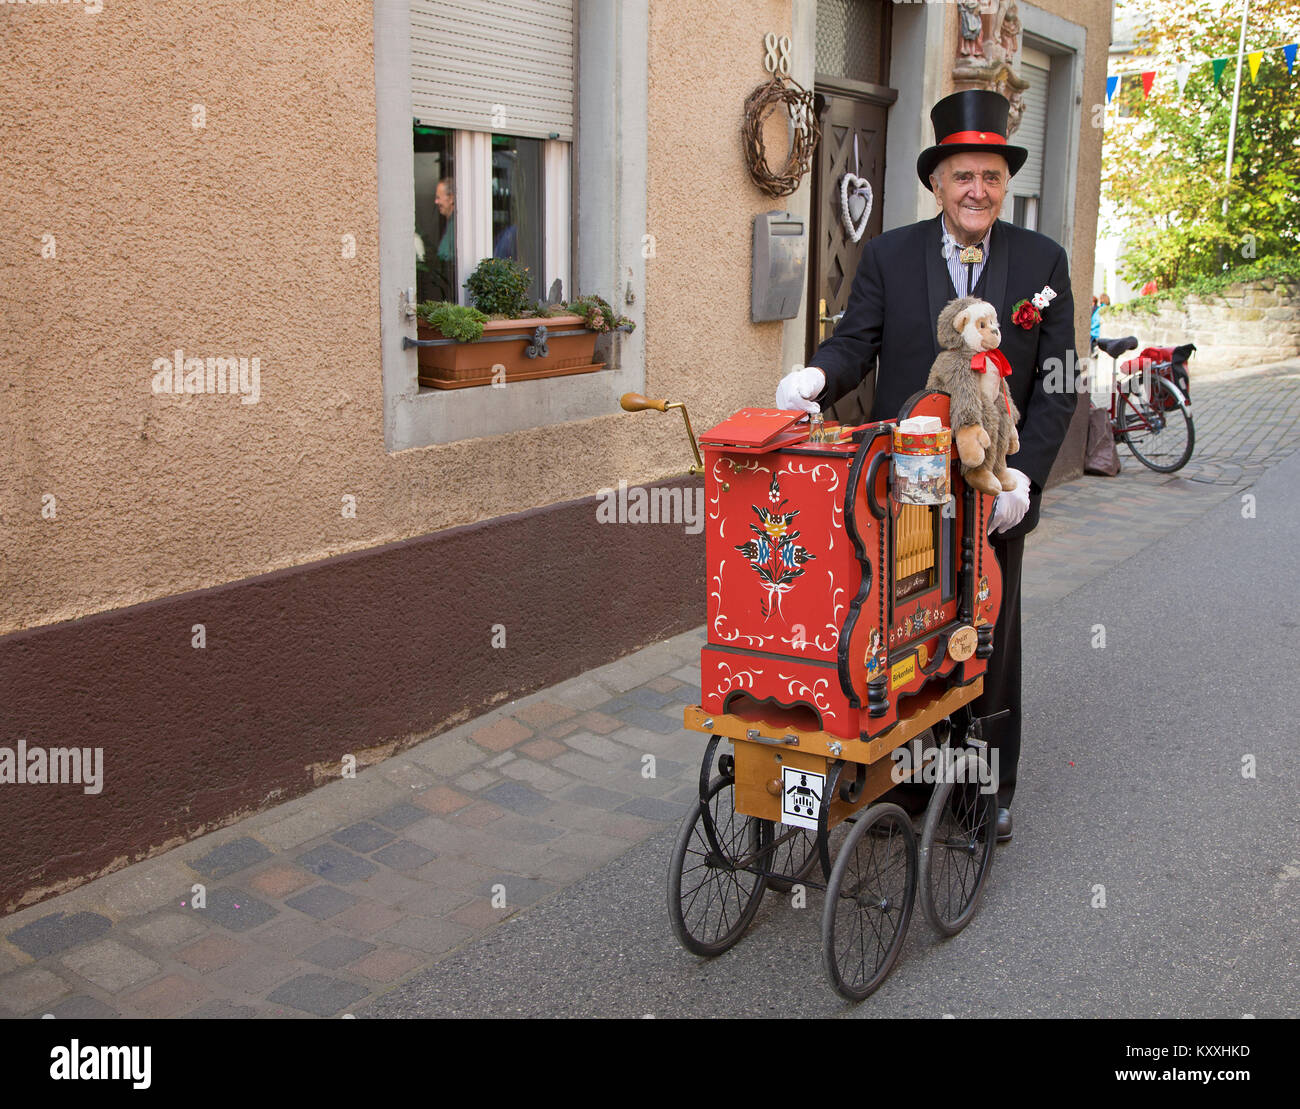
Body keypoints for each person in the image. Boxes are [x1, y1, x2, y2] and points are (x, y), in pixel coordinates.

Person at [774, 89, 1078, 843]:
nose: (978, 190)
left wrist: (1027, 477)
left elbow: (1060, 381)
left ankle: (986, 790)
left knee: (986, 633)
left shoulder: (1043, 261)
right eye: (962, 175)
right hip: (905, 486)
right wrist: (814, 377)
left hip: (993, 488)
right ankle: (906, 780)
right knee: (902, 630)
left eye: (991, 176)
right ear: (937, 182)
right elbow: (855, 343)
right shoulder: (889, 254)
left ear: (1003, 184)